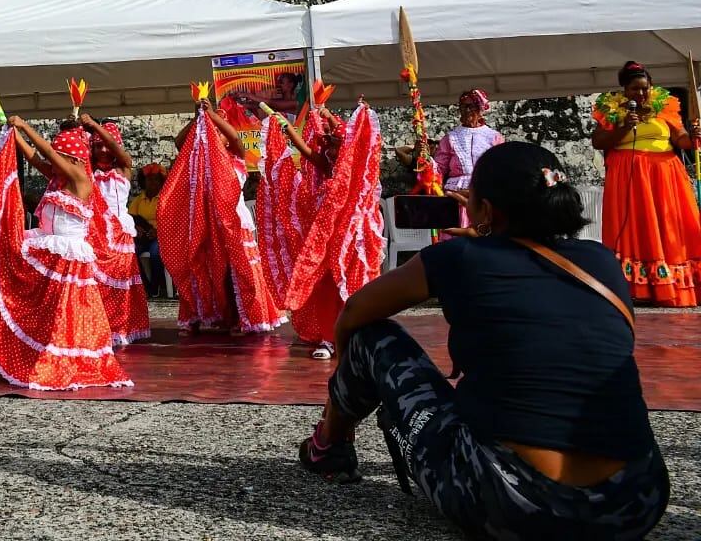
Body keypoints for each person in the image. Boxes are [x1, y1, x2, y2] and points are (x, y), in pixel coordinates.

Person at [298, 142, 670, 539]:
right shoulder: (601, 260)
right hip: (635, 503)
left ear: (486, 209)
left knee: (373, 336)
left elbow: (355, 312)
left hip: (517, 505)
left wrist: (341, 376)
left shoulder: (457, 257)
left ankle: (330, 446)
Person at [0, 116, 131, 390]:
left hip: (69, 260)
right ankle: (45, 352)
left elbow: (46, 153)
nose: (56, 166)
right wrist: (13, 135)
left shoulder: (80, 178)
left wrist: (25, 126)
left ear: (76, 161)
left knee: (65, 312)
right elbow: (35, 157)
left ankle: (64, 358)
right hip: (51, 254)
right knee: (45, 309)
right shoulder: (60, 179)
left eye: (62, 159)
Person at [255, 101, 385, 359]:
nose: (331, 148)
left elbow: (357, 138)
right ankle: (328, 339)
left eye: (336, 144)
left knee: (351, 287)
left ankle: (356, 337)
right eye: (330, 144)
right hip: (324, 240)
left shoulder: (356, 170)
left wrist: (332, 116)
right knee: (325, 288)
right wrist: (286, 127)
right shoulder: (325, 166)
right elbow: (304, 150)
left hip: (350, 240)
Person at [161, 99, 282, 334]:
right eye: (211, 132)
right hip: (204, 222)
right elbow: (178, 142)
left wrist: (214, 117)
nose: (214, 135)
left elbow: (236, 139)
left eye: (219, 132)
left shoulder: (235, 155)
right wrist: (198, 117)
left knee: (235, 272)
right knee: (199, 267)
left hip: (233, 222)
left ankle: (242, 317)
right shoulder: (198, 160)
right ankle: (202, 315)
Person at [592, 60, 701, 306]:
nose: (641, 94)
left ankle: (674, 285)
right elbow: (599, 142)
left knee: (668, 223)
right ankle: (637, 288)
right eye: (634, 89)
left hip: (664, 173)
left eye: (645, 88)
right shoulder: (611, 108)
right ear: (624, 90)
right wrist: (623, 128)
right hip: (628, 173)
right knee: (637, 225)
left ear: (651, 86)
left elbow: (680, 139)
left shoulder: (666, 106)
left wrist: (693, 137)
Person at [81, 114, 150, 345]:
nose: (102, 150)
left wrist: (94, 127)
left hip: (119, 233)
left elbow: (121, 154)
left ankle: (121, 328)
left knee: (121, 284)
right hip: (94, 232)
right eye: (97, 146)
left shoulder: (123, 169)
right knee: (96, 283)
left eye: (106, 144)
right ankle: (99, 328)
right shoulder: (87, 172)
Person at [431, 88, 506, 229]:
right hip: (454, 197)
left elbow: (501, 169)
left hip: (482, 195)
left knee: (481, 233)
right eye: (462, 107)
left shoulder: (493, 137)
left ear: (480, 109)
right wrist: (427, 163)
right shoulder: (451, 138)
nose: (465, 110)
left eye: (469, 106)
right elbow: (438, 169)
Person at [127, 163, 167, 297]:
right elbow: (131, 217)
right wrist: (137, 228)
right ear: (143, 181)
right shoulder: (138, 200)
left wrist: (157, 231)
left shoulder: (165, 198)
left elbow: (171, 220)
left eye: (156, 179)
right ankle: (145, 286)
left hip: (160, 236)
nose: (152, 183)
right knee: (131, 252)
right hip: (143, 237)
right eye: (149, 179)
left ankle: (159, 284)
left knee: (156, 253)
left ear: (161, 182)